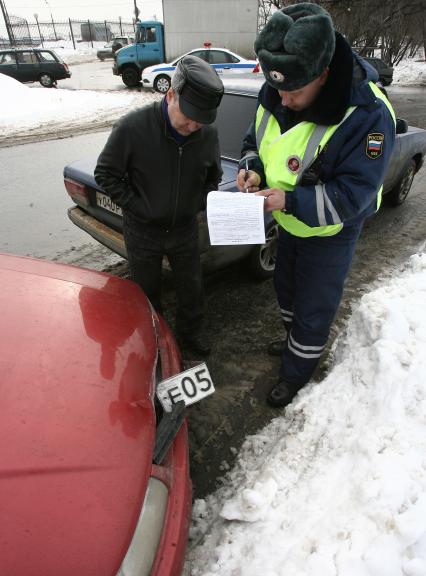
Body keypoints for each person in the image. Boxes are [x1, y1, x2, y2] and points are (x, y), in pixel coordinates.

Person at [237, 3, 396, 407]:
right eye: (279, 90)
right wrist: (252, 169)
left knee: (313, 307)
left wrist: (289, 199)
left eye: (295, 92)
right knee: (286, 291)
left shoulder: (368, 114)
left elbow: (354, 195)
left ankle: (297, 375)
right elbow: (256, 141)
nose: (285, 101)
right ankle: (294, 344)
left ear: (323, 74)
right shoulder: (278, 88)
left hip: (330, 233)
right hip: (288, 224)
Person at [95, 55, 224, 356]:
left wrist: (198, 203)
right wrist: (138, 206)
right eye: (189, 115)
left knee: (192, 289)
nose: (194, 125)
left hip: (184, 230)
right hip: (143, 231)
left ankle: (190, 336)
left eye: (201, 120)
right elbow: (105, 174)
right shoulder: (133, 128)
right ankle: (155, 343)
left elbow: (212, 177)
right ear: (170, 95)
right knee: (147, 293)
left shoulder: (207, 135)